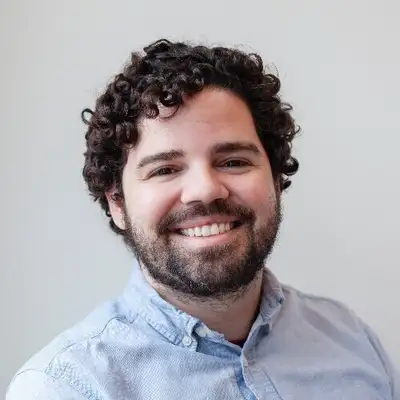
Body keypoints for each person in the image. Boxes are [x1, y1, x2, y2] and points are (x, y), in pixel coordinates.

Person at [7, 38, 399, 400]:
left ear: (277, 180)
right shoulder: (64, 387)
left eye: (234, 161)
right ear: (117, 204)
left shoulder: (352, 341)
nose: (205, 190)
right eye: (165, 169)